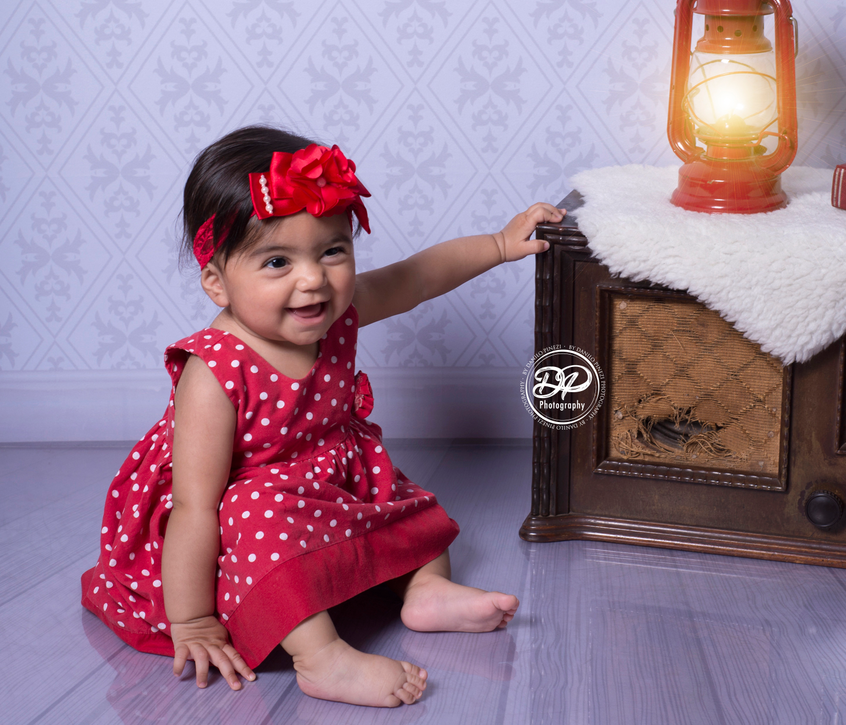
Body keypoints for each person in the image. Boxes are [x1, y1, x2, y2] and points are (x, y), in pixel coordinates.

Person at [80, 125, 565, 707]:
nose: (313, 279)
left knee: (405, 502)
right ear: (216, 282)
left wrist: (498, 243)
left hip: (325, 475)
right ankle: (319, 655)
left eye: (332, 250)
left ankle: (426, 590)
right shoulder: (213, 373)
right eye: (277, 261)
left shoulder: (339, 311)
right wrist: (192, 620)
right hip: (242, 509)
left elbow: (413, 278)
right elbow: (195, 508)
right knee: (257, 517)